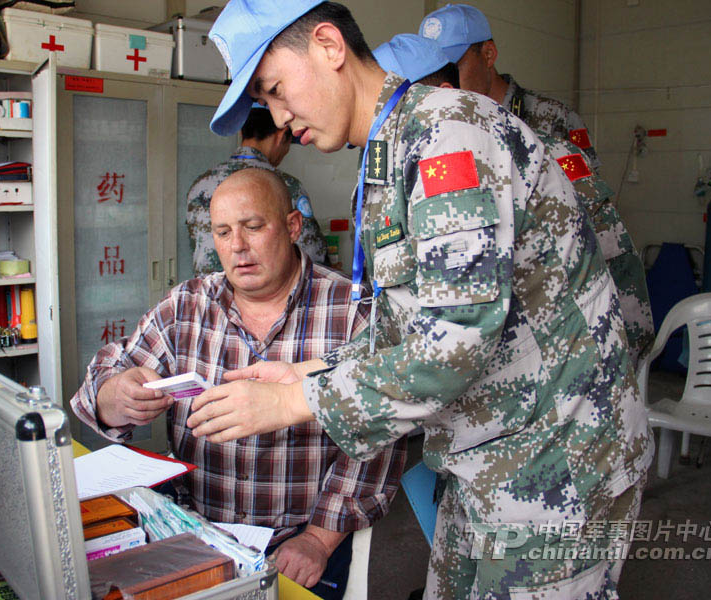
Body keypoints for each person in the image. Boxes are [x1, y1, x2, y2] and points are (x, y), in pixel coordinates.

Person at [191, 2, 652, 598]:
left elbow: (454, 341)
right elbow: (405, 322)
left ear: (329, 46)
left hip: (555, 461)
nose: (279, 117)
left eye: (276, 89)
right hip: (488, 452)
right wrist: (308, 369)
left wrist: (290, 404)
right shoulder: (391, 148)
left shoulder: (447, 135)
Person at [72, 167, 405, 599]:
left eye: (253, 227)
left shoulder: (352, 311)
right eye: (223, 232)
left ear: (292, 227)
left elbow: (379, 437)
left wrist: (318, 540)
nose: (238, 248)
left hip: (300, 537)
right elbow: (104, 380)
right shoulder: (187, 306)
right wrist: (114, 396)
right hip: (196, 531)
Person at [373, 33, 654, 368]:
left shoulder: (545, 152)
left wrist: (627, 363)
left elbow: (615, 263)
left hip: (572, 380)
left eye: (394, 114)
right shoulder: (402, 180)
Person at [419, 3, 602, 169]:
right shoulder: (434, 125)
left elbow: (588, 201)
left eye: (452, 69)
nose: (444, 83)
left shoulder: (555, 120)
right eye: (434, 74)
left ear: (488, 55)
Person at [186, 106, 328, 276]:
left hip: (209, 297)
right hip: (268, 296)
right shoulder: (286, 186)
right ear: (282, 135)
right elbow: (313, 254)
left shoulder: (200, 185)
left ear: (241, 134)